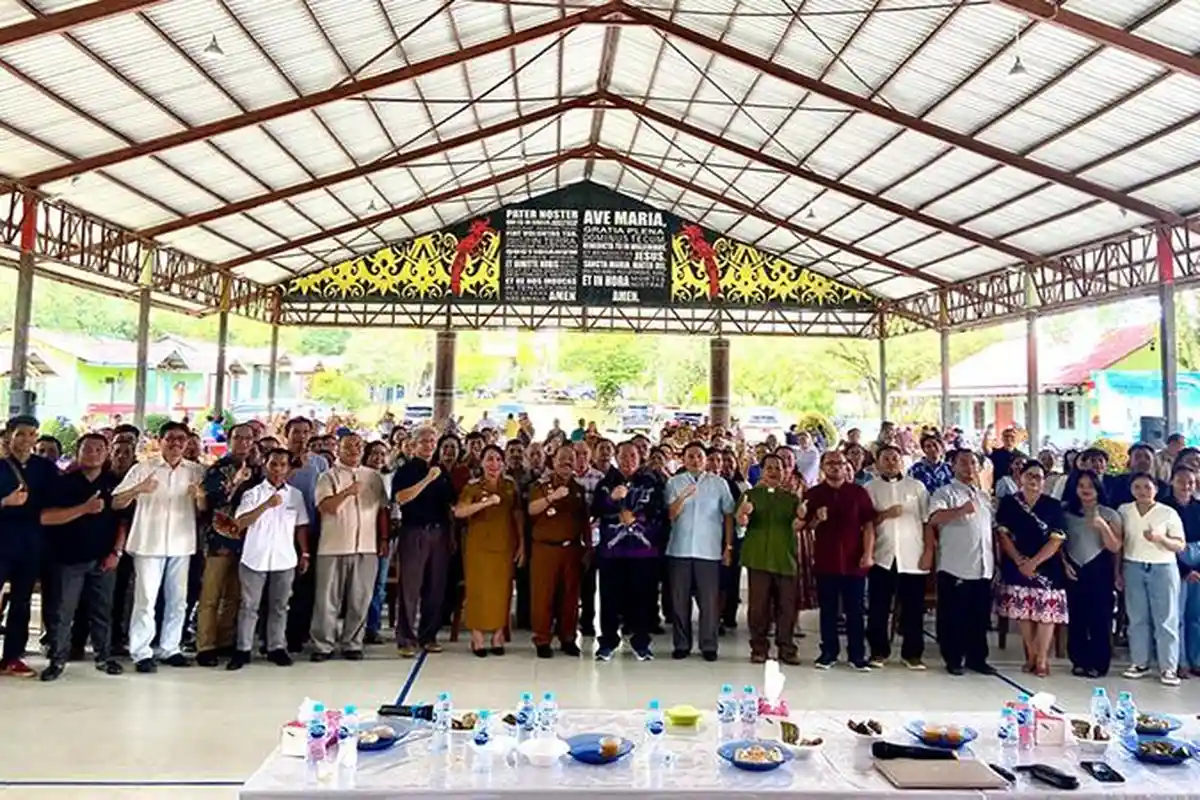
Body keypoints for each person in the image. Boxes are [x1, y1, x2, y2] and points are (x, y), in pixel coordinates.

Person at [113, 421, 204, 673]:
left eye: (181, 439)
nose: (176, 443)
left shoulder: (195, 471)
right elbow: (116, 502)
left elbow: (205, 509)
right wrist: (139, 489)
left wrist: (200, 497)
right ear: (160, 441)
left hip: (182, 542)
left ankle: (170, 648)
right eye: (170, 438)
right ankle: (141, 651)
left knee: (178, 601)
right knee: (146, 599)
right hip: (148, 543)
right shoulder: (143, 468)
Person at [38, 434, 125, 681]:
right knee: (63, 612)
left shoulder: (114, 484)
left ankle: (104, 657)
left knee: (102, 611)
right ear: (77, 452)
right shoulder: (63, 483)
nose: (93, 453)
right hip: (67, 558)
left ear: (107, 453)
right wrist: (83, 509)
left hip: (104, 558)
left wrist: (116, 552)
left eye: (99, 449)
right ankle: (57, 660)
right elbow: (45, 517)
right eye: (88, 449)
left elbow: (124, 522)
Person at [227, 449, 311, 670]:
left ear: (288, 469)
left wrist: (304, 552)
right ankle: (243, 649)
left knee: (280, 606)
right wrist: (265, 505)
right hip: (255, 557)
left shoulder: (295, 495)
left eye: (283, 465)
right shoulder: (252, 493)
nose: (278, 469)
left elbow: (301, 526)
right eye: (273, 464)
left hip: (284, 558)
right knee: (249, 606)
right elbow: (240, 523)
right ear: (266, 466)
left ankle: (276, 647)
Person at [311, 434, 388, 662]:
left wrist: (383, 539)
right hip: (333, 547)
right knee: (327, 599)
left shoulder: (373, 476)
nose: (354, 450)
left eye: (358, 445)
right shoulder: (328, 476)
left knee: (360, 598)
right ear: (339, 450)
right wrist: (347, 492)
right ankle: (323, 644)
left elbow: (382, 509)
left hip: (366, 546)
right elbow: (326, 507)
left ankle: (353, 642)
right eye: (348, 446)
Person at [592, 441, 668, 662]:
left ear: (640, 457)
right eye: (623, 456)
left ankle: (641, 643)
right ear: (616, 457)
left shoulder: (653, 482)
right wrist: (611, 501)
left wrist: (637, 518)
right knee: (609, 599)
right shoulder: (606, 482)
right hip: (612, 553)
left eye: (633, 456)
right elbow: (595, 511)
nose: (628, 461)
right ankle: (607, 642)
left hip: (644, 553)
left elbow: (661, 513)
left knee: (643, 599)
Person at [803, 450, 875, 670]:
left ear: (847, 467)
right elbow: (807, 526)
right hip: (826, 559)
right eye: (830, 463)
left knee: (856, 609)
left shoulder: (858, 492)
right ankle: (828, 653)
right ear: (823, 467)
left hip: (854, 560)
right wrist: (817, 518)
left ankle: (857, 654)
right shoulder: (814, 494)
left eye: (840, 463)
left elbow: (869, 525)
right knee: (828, 610)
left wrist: (868, 553)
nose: (835, 467)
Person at [994, 462, 1068, 678]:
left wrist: (1034, 563)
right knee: (1024, 612)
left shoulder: (1053, 505)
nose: (1034, 480)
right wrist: (1019, 561)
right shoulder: (1009, 503)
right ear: (1021, 477)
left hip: (1046, 566)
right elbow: (1003, 535)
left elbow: (1057, 539)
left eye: (1038, 476)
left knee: (1046, 613)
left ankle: (1042, 658)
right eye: (1030, 475)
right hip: (1017, 563)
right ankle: (1031, 655)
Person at [664, 442, 735, 662]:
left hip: (709, 550)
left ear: (705, 460)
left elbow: (728, 515)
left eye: (699, 456)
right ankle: (682, 643)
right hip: (680, 549)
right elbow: (671, 515)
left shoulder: (719, 483)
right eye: (690, 456)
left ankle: (709, 645)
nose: (695, 460)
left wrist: (728, 546)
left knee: (709, 602)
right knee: (679, 600)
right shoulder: (674, 483)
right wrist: (683, 497)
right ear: (683, 459)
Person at [928, 449, 996, 676]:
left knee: (979, 616)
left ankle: (977, 658)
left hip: (982, 565)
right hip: (956, 565)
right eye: (963, 463)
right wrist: (959, 511)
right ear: (953, 466)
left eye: (973, 463)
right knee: (953, 616)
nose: (969, 468)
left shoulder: (984, 496)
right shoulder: (944, 493)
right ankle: (953, 658)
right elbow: (934, 519)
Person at [0, 415, 59, 678]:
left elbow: (54, 500)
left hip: (31, 542)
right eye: (21, 434)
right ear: (8, 436)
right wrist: (4, 502)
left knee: (22, 601)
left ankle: (12, 656)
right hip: (2, 539)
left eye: (32, 434)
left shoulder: (44, 469)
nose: (26, 440)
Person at [865, 445, 932, 670]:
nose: (891, 462)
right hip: (882, 555)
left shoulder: (917, 487)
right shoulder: (870, 488)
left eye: (895, 458)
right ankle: (878, 651)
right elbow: (865, 523)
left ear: (901, 461)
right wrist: (884, 515)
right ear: (877, 462)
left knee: (913, 607)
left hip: (912, 555)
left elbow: (927, 522)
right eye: (886, 458)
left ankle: (912, 654)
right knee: (878, 607)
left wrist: (929, 552)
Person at [195, 423, 258, 667]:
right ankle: (206, 645)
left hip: (248, 540)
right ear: (229, 439)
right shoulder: (217, 469)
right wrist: (235, 482)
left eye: (248, 438)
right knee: (211, 595)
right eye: (238, 438)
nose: (243, 443)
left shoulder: (258, 469)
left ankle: (226, 640)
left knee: (235, 596)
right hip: (219, 539)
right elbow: (213, 502)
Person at [392, 426, 457, 657]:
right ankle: (406, 638)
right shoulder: (406, 470)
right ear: (414, 444)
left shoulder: (441, 470)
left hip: (439, 533)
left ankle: (428, 635)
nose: (429, 445)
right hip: (414, 532)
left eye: (432, 441)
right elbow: (400, 498)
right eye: (424, 441)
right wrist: (426, 481)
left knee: (436, 587)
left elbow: (451, 504)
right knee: (410, 588)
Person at [454, 445, 522, 656]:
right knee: (478, 590)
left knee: (502, 591)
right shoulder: (473, 487)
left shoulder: (510, 485)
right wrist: (485, 504)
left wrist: (522, 543)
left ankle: (498, 634)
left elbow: (518, 514)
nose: (494, 464)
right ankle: (477, 636)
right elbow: (460, 512)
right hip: (478, 547)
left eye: (498, 460)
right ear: (482, 463)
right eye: (489, 459)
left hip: (504, 544)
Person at [1119, 472, 1186, 685]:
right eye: (1137, 487)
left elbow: (1180, 545)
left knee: (1166, 619)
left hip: (1163, 567)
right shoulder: (1124, 511)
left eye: (1147, 487)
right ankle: (1140, 662)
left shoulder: (1168, 513)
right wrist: (1118, 571)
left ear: (1156, 489)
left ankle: (1168, 667)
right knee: (1137, 618)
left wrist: (1160, 538)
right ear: (1131, 489)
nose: (1142, 491)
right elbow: (1120, 542)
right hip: (1133, 565)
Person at [736, 454, 803, 665]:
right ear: (762, 471)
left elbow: (798, 525)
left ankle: (786, 648)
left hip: (785, 557)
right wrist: (744, 514)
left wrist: (801, 516)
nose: (774, 471)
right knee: (758, 607)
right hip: (758, 558)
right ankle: (759, 647)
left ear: (785, 472)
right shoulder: (750, 495)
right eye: (769, 468)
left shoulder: (792, 498)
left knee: (787, 606)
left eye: (778, 468)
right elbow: (740, 521)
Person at [528, 446, 590, 658]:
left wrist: (587, 549)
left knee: (570, 597)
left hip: (571, 549)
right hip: (545, 549)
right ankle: (542, 639)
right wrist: (552, 497)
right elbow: (531, 510)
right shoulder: (540, 486)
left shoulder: (578, 489)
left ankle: (568, 638)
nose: (567, 462)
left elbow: (584, 522)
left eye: (571, 459)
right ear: (553, 461)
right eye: (562, 458)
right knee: (543, 597)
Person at [1061, 470, 1122, 678]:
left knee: (1100, 616)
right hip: (1074, 567)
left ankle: (1099, 662)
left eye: (1090, 486)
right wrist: (1064, 564)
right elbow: (1059, 542)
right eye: (1081, 485)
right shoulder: (1066, 512)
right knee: (1077, 616)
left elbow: (1115, 547)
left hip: (1100, 568)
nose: (1086, 490)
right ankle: (1078, 660)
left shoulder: (1110, 514)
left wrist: (1102, 526)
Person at [280, 417, 329, 653]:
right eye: (296, 432)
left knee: (306, 584)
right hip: (280, 532)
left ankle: (299, 633)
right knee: (280, 585)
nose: (301, 437)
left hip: (311, 529)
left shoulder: (320, 463)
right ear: (287, 434)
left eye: (306, 432)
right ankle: (275, 633)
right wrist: (291, 469)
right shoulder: (277, 461)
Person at [1164, 466, 1200, 678]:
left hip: (1198, 560)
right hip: (1174, 559)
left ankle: (1196, 659)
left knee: (1195, 617)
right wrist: (1185, 570)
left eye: (1191, 482)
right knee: (1176, 615)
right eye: (1181, 481)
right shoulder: (1165, 508)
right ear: (1172, 482)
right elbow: (1166, 543)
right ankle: (1180, 661)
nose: (1186, 486)